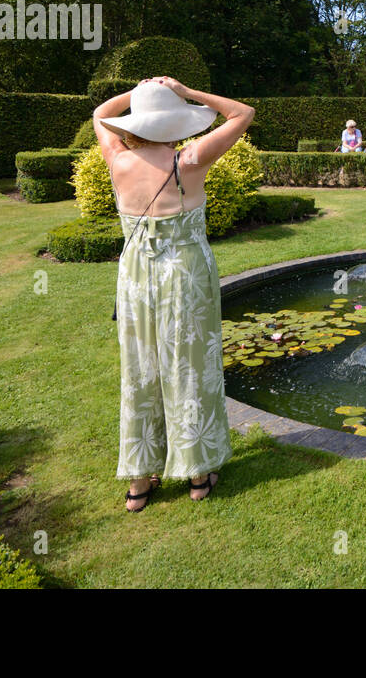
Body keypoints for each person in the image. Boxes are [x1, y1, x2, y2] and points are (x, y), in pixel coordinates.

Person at [93, 76, 255, 512]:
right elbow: (243, 113)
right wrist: (187, 92)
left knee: (141, 368)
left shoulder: (116, 159)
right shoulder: (191, 159)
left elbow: (99, 114)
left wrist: (137, 95)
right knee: (189, 364)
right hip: (184, 274)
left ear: (138, 122)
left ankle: (140, 484)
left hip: (136, 276)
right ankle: (199, 474)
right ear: (176, 121)